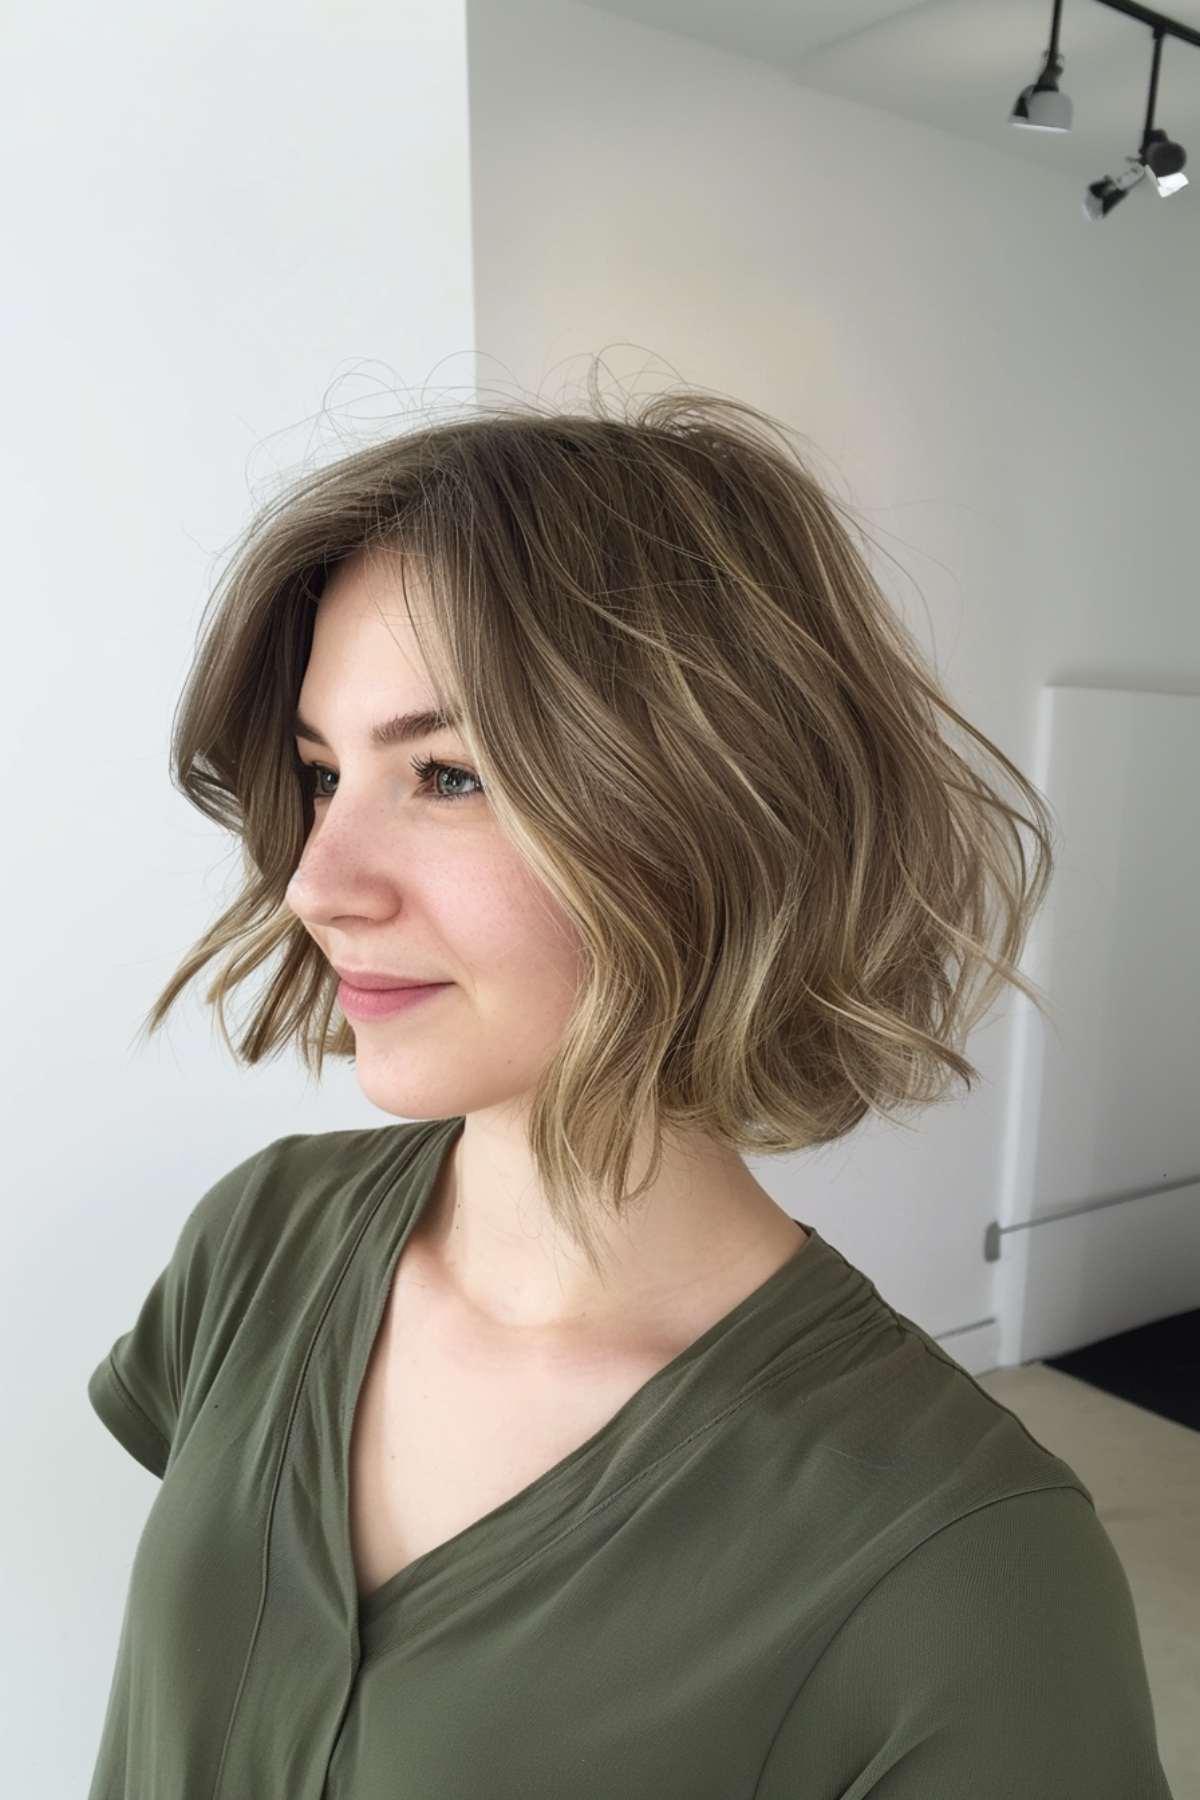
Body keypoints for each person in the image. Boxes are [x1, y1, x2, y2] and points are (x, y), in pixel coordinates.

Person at [87, 383, 1174, 1797]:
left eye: (449, 775)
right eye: (319, 771)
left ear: (706, 812)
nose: (319, 882)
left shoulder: (961, 1562)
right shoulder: (262, 1241)